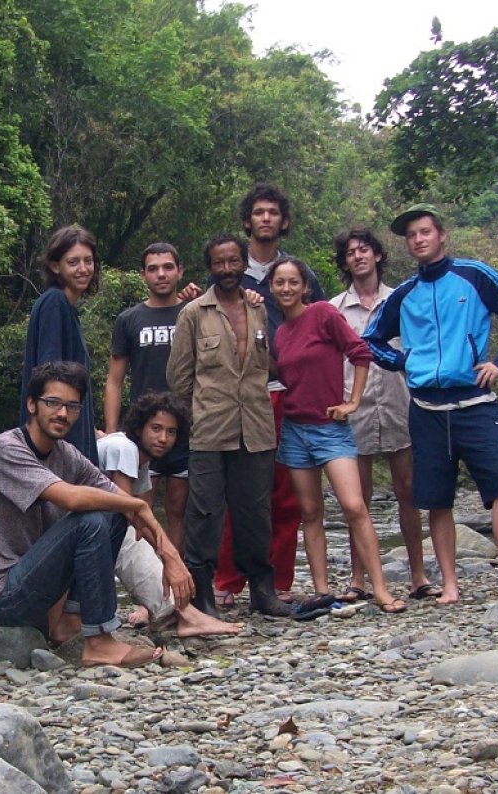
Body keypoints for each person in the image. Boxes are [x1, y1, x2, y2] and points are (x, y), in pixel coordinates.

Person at [364, 203, 498, 604]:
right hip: (426, 408)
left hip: (476, 400)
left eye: (425, 232)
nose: (418, 240)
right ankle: (449, 584)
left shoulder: (473, 276)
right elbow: (371, 339)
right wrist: (403, 361)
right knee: (436, 498)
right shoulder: (406, 294)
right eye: (411, 236)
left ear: (441, 235)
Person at [0, 361, 188, 668]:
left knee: (111, 513)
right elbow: (71, 497)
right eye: (52, 403)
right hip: (6, 596)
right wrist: (136, 505)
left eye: (71, 406)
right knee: (93, 517)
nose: (62, 413)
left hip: (43, 586)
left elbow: (119, 500)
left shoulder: (65, 454)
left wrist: (170, 555)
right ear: (32, 404)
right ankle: (98, 641)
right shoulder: (6, 449)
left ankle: (71, 621)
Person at [269, 256, 407, 615]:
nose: (286, 288)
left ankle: (380, 589)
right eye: (279, 282)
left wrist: (353, 401)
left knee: (353, 506)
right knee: (310, 512)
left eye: (292, 282)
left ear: (305, 286)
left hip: (331, 427)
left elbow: (360, 352)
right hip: (295, 430)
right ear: (271, 288)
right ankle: (322, 590)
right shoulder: (279, 334)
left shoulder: (324, 315)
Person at [213, 184, 325, 609]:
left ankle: (278, 580)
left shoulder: (299, 272)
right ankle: (228, 580)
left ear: (283, 221)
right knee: (234, 490)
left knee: (284, 490)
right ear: (247, 220)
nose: (265, 219)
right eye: (258, 212)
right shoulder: (228, 268)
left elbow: (318, 326)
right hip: (235, 395)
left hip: (285, 392)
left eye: (273, 213)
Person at [167, 234, 287, 617]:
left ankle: (263, 592)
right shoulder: (192, 314)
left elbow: (264, 365)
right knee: (204, 513)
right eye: (220, 263)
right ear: (210, 267)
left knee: (255, 512)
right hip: (209, 430)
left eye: (234, 261)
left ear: (243, 264)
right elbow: (179, 378)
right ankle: (203, 594)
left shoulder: (258, 309)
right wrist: (195, 419)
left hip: (255, 426)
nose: (228, 270)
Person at [330, 228, 437, 601]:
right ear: (344, 262)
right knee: (356, 497)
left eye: (364, 250)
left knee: (408, 490)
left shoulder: (402, 299)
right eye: (351, 252)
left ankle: (418, 575)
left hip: (399, 402)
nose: (358, 256)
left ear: (377, 255)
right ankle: (358, 578)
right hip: (353, 406)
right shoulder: (334, 309)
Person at [99, 392, 242, 637]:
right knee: (128, 536)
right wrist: (171, 557)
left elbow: (143, 519)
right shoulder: (123, 447)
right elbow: (129, 512)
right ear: (139, 427)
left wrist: (168, 557)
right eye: (155, 428)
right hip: (74, 530)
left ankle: (177, 611)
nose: (163, 438)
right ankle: (185, 614)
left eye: (171, 432)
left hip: (90, 532)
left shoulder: (140, 460)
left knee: (136, 536)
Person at [104, 243, 190, 552]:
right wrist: (113, 431)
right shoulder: (129, 319)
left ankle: (174, 583)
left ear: (180, 271)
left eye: (168, 267)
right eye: (153, 269)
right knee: (141, 510)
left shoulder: (191, 312)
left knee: (179, 509)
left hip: (184, 429)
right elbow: (114, 379)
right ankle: (149, 588)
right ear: (143, 275)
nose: (161, 274)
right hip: (143, 430)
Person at [20, 224, 100, 464]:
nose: (83, 269)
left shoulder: (67, 307)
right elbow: (50, 376)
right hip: (56, 442)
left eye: (88, 261)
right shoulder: (54, 304)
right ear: (56, 266)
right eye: (73, 262)